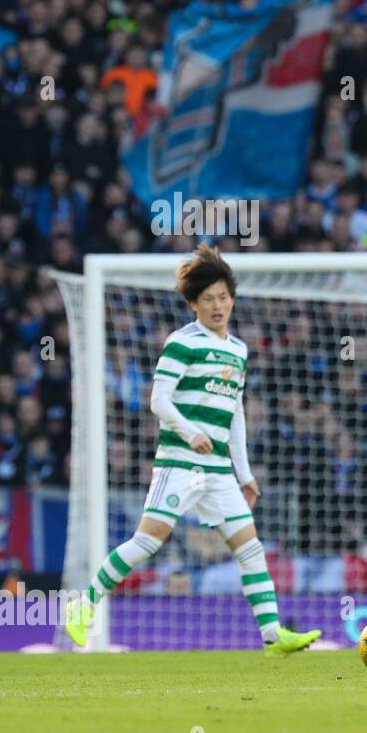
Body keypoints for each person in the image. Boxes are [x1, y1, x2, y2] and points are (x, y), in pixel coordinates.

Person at [65, 246, 320, 655]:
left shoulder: (238, 349)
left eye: (223, 297)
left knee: (250, 547)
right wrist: (189, 432)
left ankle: (273, 635)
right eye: (208, 300)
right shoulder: (182, 343)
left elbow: (235, 412)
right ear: (193, 304)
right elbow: (158, 401)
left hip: (219, 469)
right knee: (148, 542)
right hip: (180, 462)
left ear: (232, 298)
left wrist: (245, 473)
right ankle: (84, 605)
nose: (217, 306)